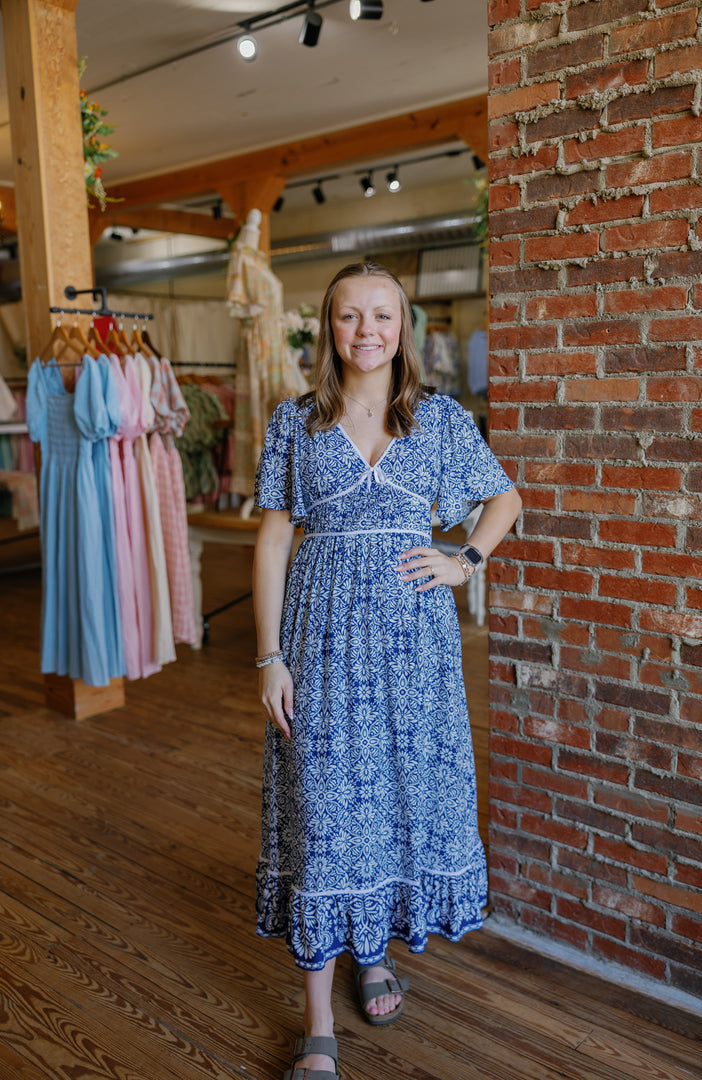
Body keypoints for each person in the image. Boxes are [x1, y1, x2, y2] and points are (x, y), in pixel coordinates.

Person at [252, 261, 521, 1080]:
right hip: (321, 643)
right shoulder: (294, 421)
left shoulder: (438, 418)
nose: (365, 330)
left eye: (381, 315)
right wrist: (269, 657)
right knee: (325, 809)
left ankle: (371, 954)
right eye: (348, 315)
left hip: (415, 649)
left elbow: (505, 499)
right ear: (327, 327)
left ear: (404, 326)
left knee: (394, 801)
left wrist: (464, 560)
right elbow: (273, 539)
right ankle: (317, 1026)